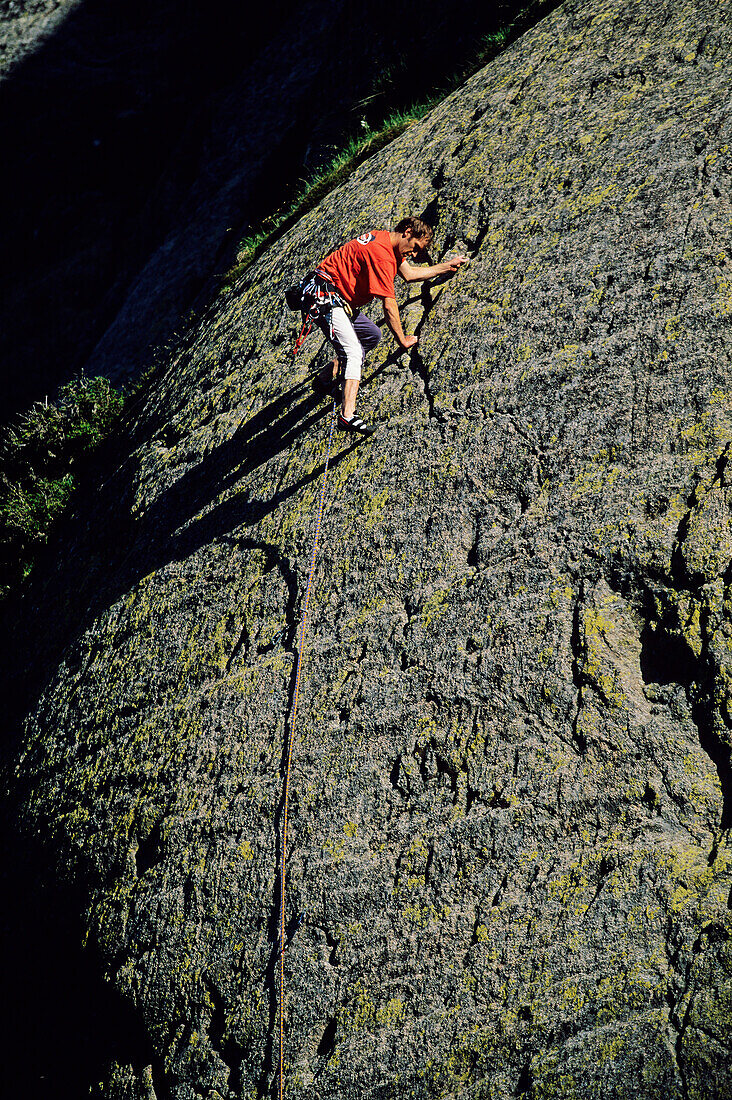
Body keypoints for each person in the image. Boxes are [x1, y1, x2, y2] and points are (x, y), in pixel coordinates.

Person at [300, 216, 466, 434]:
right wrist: (402, 340)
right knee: (352, 353)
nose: (414, 254)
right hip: (325, 297)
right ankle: (347, 416)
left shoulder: (386, 241)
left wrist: (445, 267)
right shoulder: (382, 255)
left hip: (335, 297)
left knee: (371, 335)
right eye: (415, 247)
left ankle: (322, 381)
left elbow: (409, 274)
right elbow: (389, 306)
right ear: (407, 231)